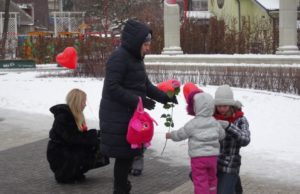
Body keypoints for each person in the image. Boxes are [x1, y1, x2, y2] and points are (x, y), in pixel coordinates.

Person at [99, 19, 177, 194]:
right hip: (117, 117)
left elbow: (145, 85)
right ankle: (120, 189)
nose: (148, 48)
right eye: (146, 44)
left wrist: (165, 98)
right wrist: (138, 101)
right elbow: (112, 88)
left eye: (149, 44)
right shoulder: (119, 57)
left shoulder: (136, 59)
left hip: (129, 117)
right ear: (136, 43)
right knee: (124, 157)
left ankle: (122, 188)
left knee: (128, 156)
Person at [166, 82, 225, 194]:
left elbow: (181, 134)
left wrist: (170, 135)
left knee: (200, 180)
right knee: (212, 179)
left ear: (195, 107)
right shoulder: (215, 122)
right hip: (212, 157)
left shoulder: (193, 124)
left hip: (198, 158)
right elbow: (222, 135)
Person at [47, 88, 109, 184]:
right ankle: (64, 174)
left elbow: (79, 136)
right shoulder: (63, 117)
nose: (85, 104)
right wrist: (93, 135)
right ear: (77, 101)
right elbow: (72, 139)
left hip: (66, 149)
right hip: (58, 153)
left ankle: (76, 171)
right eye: (83, 101)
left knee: (95, 146)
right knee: (85, 148)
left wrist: (97, 135)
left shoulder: (76, 115)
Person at [213, 85, 251, 194]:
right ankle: (235, 187)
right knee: (194, 175)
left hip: (230, 164)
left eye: (225, 106)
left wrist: (229, 126)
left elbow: (245, 139)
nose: (221, 109)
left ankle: (233, 184)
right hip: (214, 162)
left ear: (231, 105)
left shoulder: (240, 119)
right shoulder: (212, 117)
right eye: (219, 106)